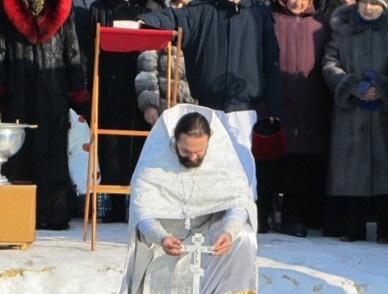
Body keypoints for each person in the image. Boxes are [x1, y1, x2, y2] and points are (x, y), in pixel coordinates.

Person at [107, 105, 264, 294]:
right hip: (165, 247)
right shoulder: (156, 157)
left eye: (199, 152)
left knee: (244, 236)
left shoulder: (221, 156)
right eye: (185, 151)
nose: (193, 157)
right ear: (174, 142)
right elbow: (142, 213)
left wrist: (229, 231)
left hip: (209, 245)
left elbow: (240, 202)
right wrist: (161, 237)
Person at [137, 0, 284, 198]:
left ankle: (243, 222)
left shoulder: (259, 13)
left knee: (243, 174)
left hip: (244, 110)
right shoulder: (201, 9)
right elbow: (171, 17)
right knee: (204, 172)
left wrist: (275, 109)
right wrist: (142, 21)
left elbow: (271, 61)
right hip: (207, 109)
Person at [0, 0, 90, 230]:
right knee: (20, 152)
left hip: (53, 91)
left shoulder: (62, 8)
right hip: (19, 90)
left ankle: (54, 212)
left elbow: (72, 49)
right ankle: (20, 214)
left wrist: (77, 89)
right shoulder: (7, 8)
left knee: (54, 152)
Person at [322, 0, 388, 244]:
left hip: (383, 111)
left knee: (384, 170)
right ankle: (355, 226)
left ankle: (383, 227)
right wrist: (350, 85)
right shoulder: (342, 29)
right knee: (353, 172)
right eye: (364, 3)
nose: (368, 8)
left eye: (375, 3)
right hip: (351, 113)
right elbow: (330, 63)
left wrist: (383, 87)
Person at [89, 0, 165, 223]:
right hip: (110, 84)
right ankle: (114, 202)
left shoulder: (154, 8)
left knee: (144, 144)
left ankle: (140, 201)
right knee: (111, 143)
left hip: (146, 86)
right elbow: (90, 49)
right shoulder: (100, 8)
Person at [268, 0, 332, 237]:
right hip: (276, 100)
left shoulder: (322, 24)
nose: (298, 2)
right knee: (273, 161)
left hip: (311, 104)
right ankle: (267, 211)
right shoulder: (269, 18)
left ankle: (296, 217)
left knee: (302, 166)